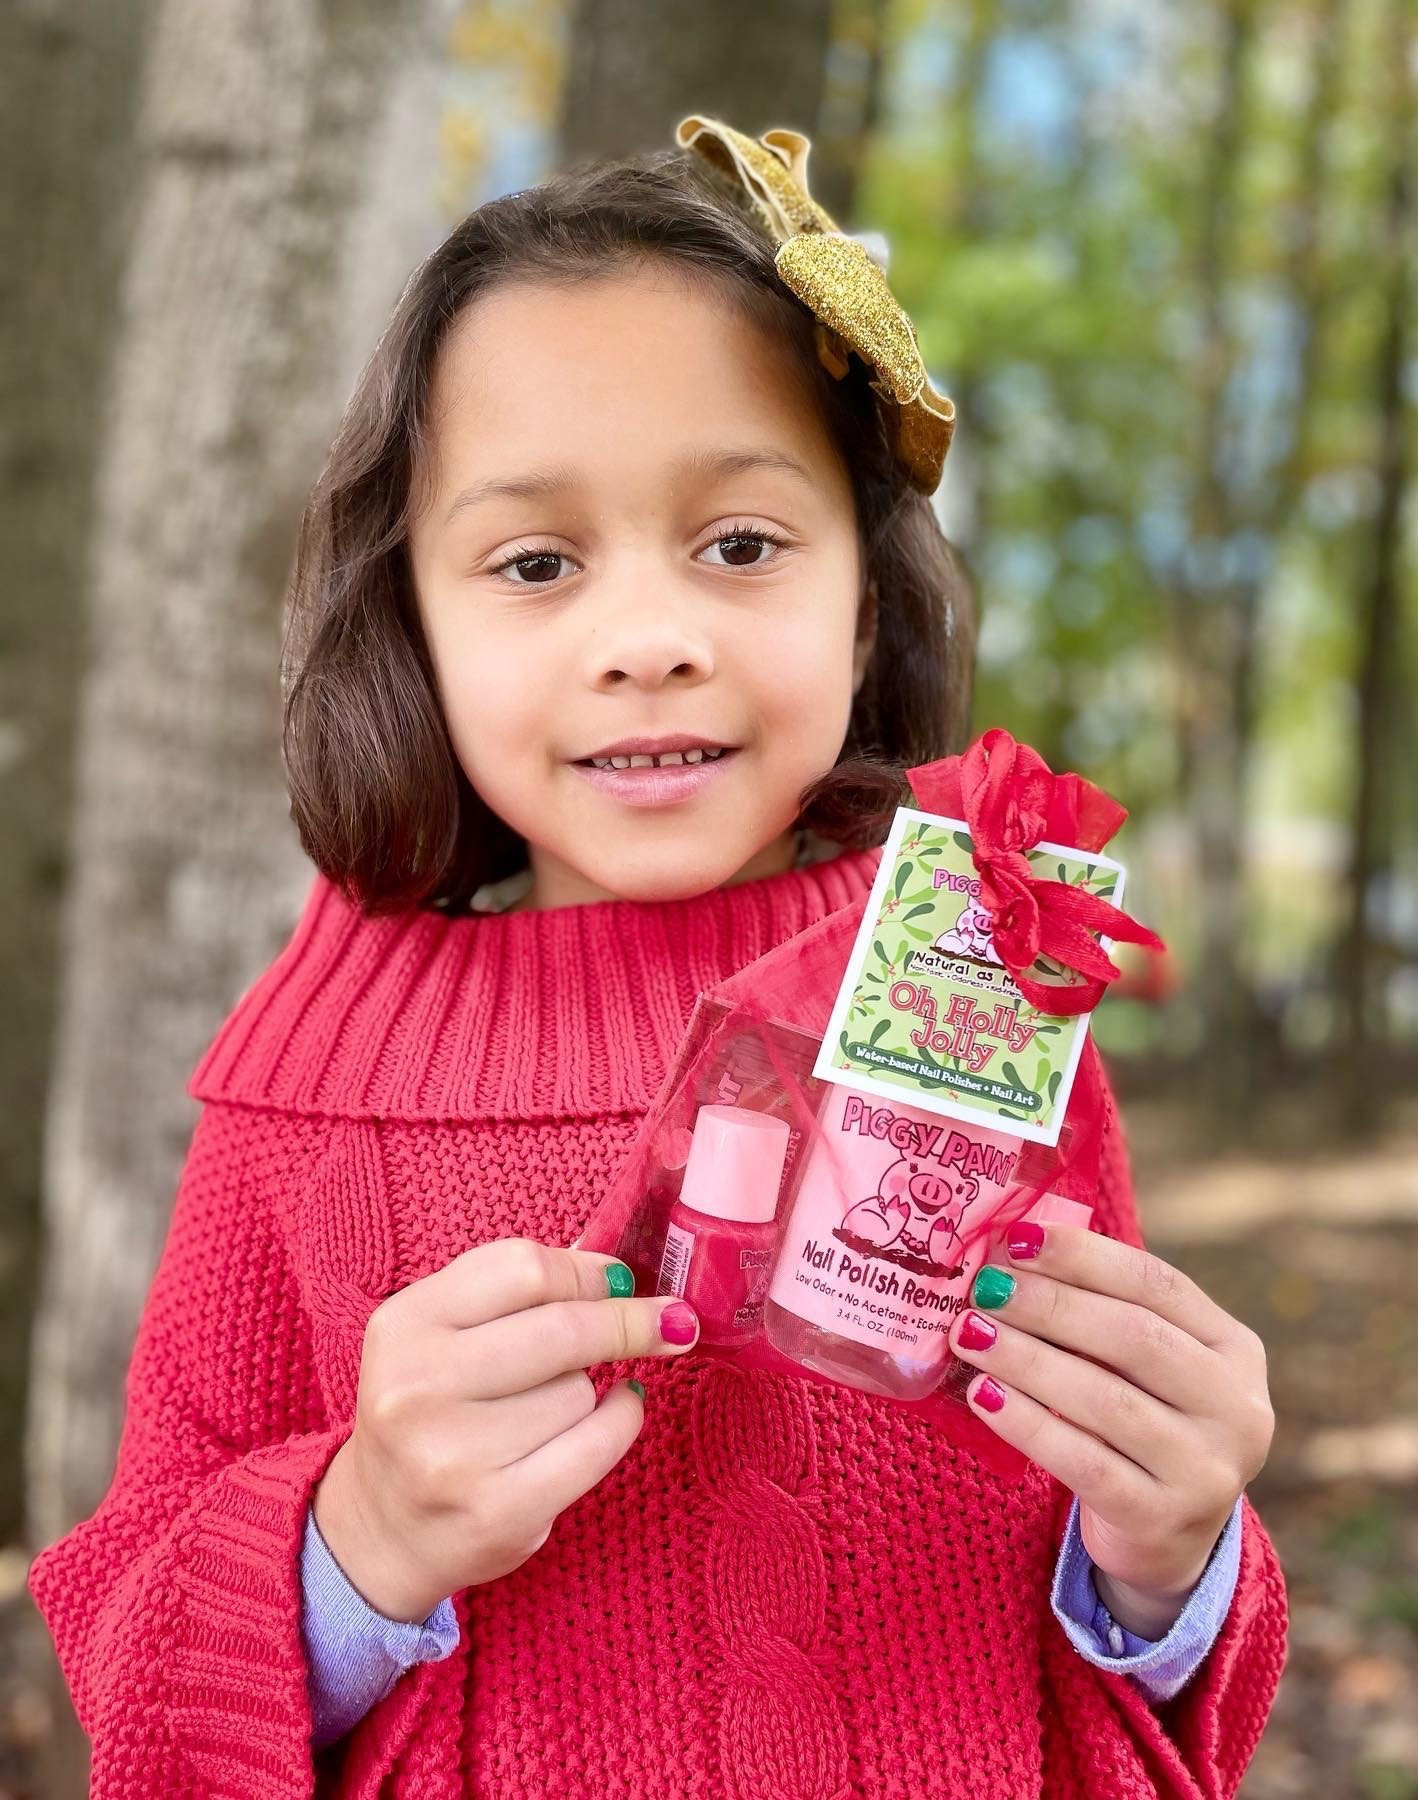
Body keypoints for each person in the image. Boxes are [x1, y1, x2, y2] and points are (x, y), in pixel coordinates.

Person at [27, 114, 1286, 1798]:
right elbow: (131, 1639)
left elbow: (1129, 1657)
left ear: (862, 601)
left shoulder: (975, 994)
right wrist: (360, 1542)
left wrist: (1172, 1552)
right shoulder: (313, 1076)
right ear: (414, 625)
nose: (651, 642)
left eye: (742, 546)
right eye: (535, 564)